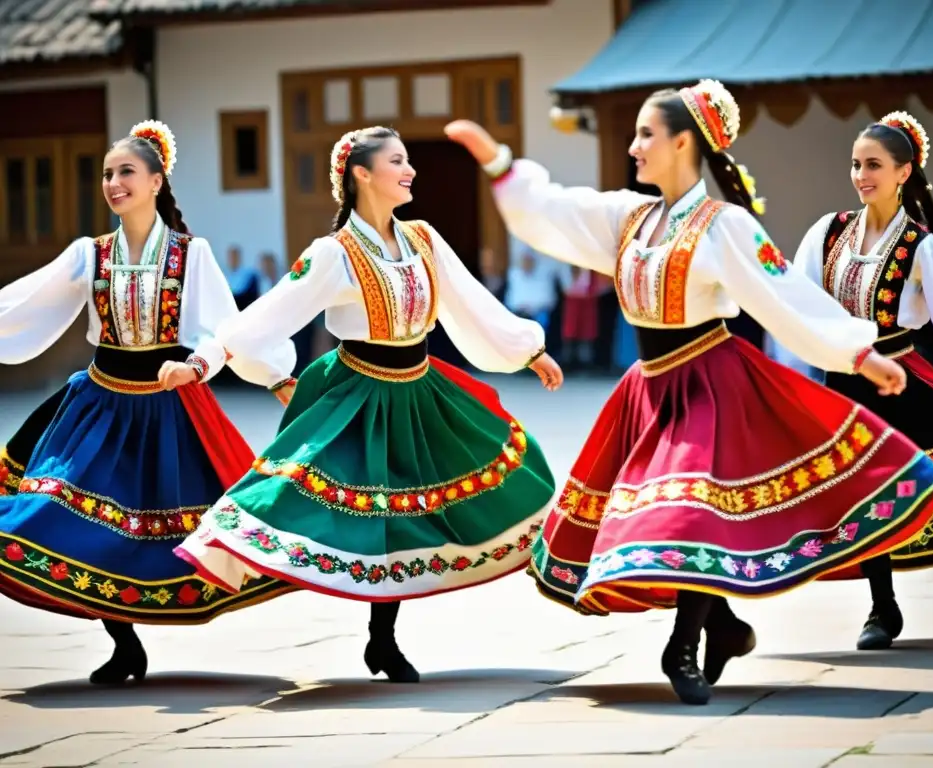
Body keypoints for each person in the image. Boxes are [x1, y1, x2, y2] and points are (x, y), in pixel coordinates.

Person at [445, 80, 933, 706]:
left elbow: (783, 297)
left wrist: (858, 352)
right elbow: (556, 211)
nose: (633, 148)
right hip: (647, 390)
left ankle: (680, 647)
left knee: (687, 515)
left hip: (710, 384)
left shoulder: (725, 225)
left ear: (683, 142)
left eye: (645, 135)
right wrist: (501, 166)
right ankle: (727, 626)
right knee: (665, 521)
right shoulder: (629, 219)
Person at [175, 126, 562, 684]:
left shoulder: (423, 239)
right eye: (398, 161)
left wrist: (529, 350)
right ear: (361, 174)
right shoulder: (334, 254)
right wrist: (210, 363)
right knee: (351, 507)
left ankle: (382, 640)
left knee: (454, 494)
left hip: (421, 387)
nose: (410, 171)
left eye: (408, 161)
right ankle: (247, 554)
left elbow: (470, 299)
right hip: (358, 393)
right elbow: (268, 314)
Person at [0, 120, 298, 685]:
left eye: (126, 172)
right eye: (108, 174)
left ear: (157, 180)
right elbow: (19, 306)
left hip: (168, 409)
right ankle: (123, 642)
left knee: (162, 532)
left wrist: (243, 372)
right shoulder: (90, 255)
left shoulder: (191, 254)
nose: (114, 183)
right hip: (98, 408)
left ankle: (131, 635)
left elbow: (227, 328)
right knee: (53, 513)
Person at [790, 112, 933, 651]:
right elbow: (794, 303)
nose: (861, 174)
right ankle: (882, 604)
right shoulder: (826, 234)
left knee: (881, 486)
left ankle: (882, 607)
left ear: (903, 172)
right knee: (845, 489)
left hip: (896, 384)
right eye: (855, 163)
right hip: (838, 381)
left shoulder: (921, 247)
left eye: (873, 164)